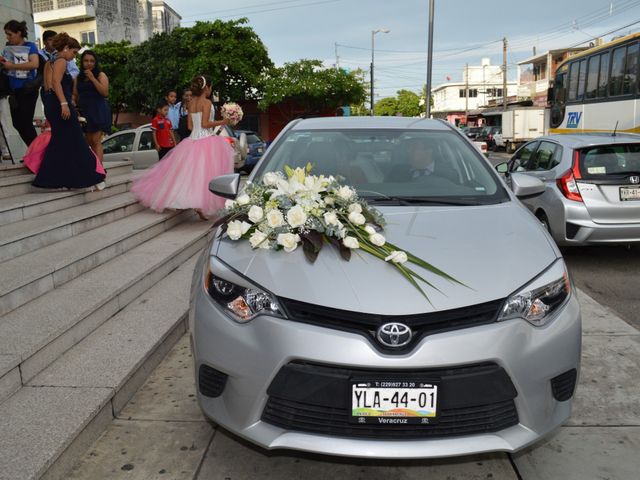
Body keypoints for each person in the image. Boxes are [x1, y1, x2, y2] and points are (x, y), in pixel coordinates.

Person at [131, 74, 234, 220]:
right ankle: (201, 204)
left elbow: (191, 126)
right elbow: (205, 124)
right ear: (207, 88)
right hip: (206, 139)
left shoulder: (190, 103)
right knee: (205, 175)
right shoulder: (207, 103)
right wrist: (222, 121)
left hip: (192, 140)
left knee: (190, 175)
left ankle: (195, 203)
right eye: (211, 87)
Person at [33, 33, 105, 190]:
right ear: (66, 48)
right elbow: (55, 83)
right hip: (60, 104)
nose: (74, 57)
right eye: (73, 52)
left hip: (52, 103)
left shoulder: (48, 62)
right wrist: (64, 104)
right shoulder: (61, 61)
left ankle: (52, 179)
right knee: (77, 140)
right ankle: (91, 176)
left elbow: (46, 88)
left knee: (60, 142)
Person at [2, 20, 41, 147]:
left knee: (25, 122)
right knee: (17, 123)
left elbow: (34, 64)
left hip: (27, 90)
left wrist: (12, 66)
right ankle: (33, 150)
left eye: (10, 34)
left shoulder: (30, 46)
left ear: (19, 33)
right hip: (14, 91)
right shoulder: (8, 47)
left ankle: (36, 152)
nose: (8, 37)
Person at [73, 50, 111, 164]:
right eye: (86, 61)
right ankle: (93, 167)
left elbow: (105, 92)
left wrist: (93, 78)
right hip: (84, 112)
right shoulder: (77, 78)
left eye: (92, 61)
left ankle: (99, 169)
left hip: (98, 110)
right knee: (89, 141)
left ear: (95, 63)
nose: (89, 63)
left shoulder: (100, 75)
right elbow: (75, 94)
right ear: (82, 62)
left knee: (95, 140)